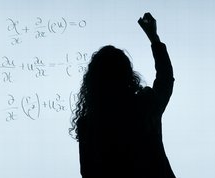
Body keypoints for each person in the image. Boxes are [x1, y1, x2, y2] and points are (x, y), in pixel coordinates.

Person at [69, 13, 176, 178]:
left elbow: (88, 173)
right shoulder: (145, 106)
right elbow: (165, 79)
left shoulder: (88, 124)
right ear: (128, 75)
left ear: (93, 82)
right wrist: (154, 38)